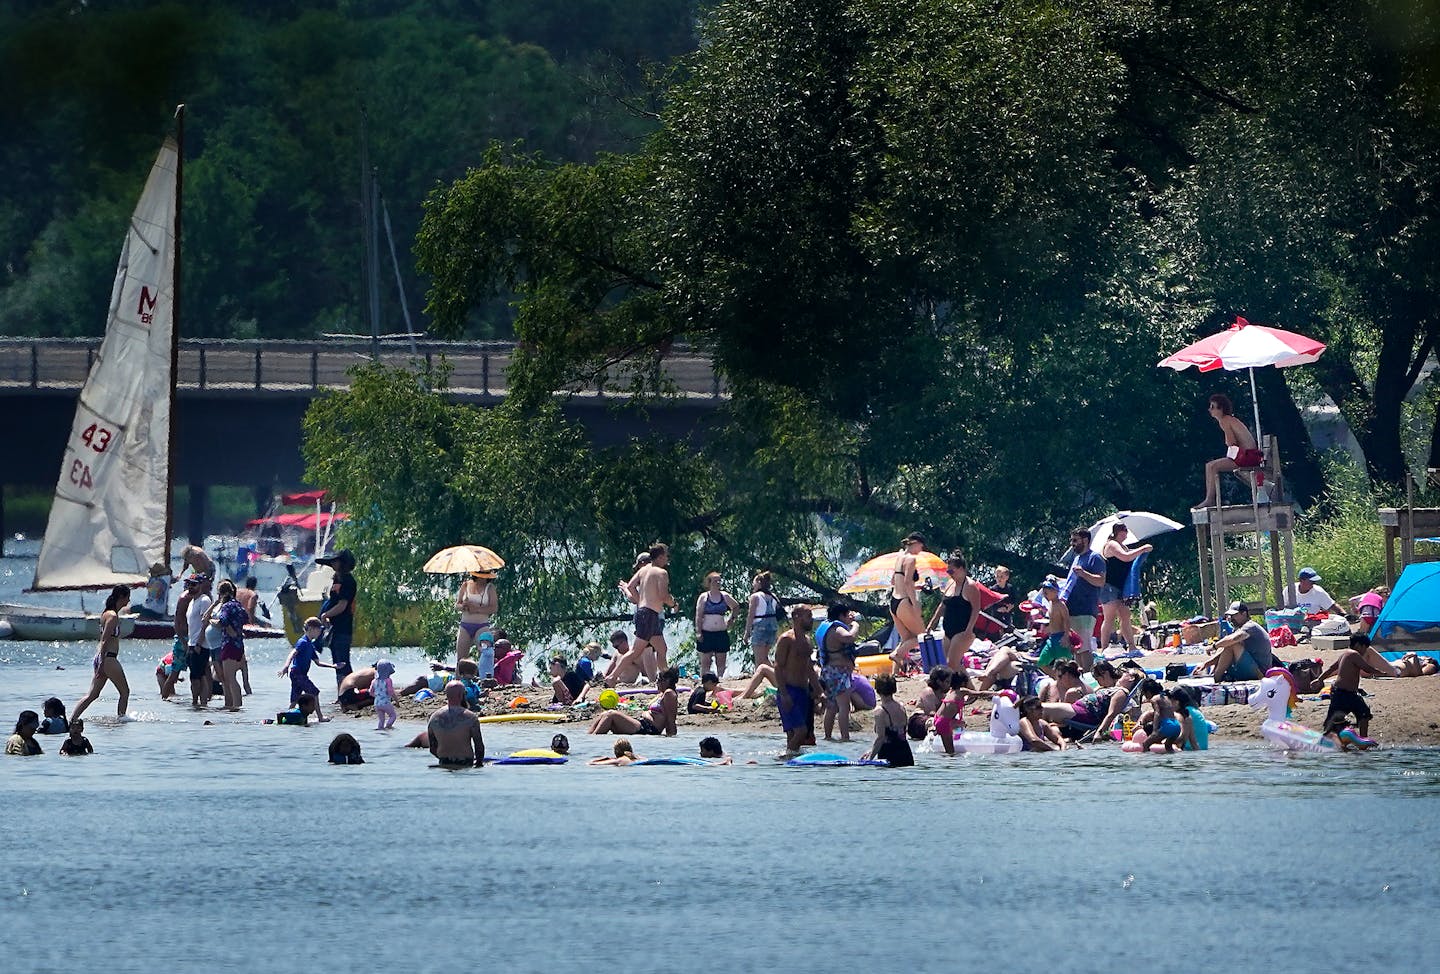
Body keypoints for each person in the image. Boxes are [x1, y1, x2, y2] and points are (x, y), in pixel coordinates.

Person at [606, 543, 678, 685]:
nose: (667, 559)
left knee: (662, 648)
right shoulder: (662, 573)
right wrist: (674, 604)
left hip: (645, 613)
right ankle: (612, 677)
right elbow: (664, 596)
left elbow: (631, 586)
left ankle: (665, 678)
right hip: (649, 615)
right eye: (666, 555)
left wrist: (641, 600)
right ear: (661, 556)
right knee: (635, 651)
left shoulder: (643, 570)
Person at [72, 585, 132, 722]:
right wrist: (102, 664)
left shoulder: (106, 614)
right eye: (128, 597)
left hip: (103, 659)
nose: (128, 601)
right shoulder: (112, 616)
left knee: (92, 695)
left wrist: (100, 662)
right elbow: (104, 640)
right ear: (121, 597)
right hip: (108, 659)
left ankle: (72, 720)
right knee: (125, 692)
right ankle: (121, 720)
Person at [1196, 392, 1262, 509]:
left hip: (1247, 456)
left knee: (1211, 467)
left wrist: (1227, 441)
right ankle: (1209, 499)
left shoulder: (1225, 420)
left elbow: (1231, 442)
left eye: (1212, 407)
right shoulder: (1229, 419)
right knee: (1210, 466)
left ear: (1220, 409)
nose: (1209, 410)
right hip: (1248, 455)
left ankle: (1210, 500)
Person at [1317, 633, 1388, 738]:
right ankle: (1362, 739)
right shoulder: (1354, 654)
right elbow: (1366, 668)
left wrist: (1319, 679)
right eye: (1364, 648)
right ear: (1358, 645)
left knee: (1356, 715)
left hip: (1342, 693)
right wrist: (1381, 673)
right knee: (1359, 715)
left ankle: (1360, 740)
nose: (1365, 651)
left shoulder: (1345, 654)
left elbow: (1331, 668)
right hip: (1344, 694)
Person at [773, 605, 821, 753]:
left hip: (803, 692)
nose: (811, 620)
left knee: (795, 735)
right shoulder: (786, 639)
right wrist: (784, 694)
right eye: (808, 617)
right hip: (789, 691)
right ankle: (786, 758)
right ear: (796, 617)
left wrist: (819, 691)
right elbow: (778, 667)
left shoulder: (807, 641)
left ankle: (791, 766)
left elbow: (809, 668)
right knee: (801, 731)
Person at [1099, 524, 1152, 652]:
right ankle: (1104, 647)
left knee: (1125, 615)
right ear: (1117, 532)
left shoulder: (1124, 546)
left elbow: (1131, 558)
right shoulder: (1112, 544)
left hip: (1121, 587)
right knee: (1109, 618)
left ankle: (1132, 646)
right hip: (1109, 586)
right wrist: (1142, 548)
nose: (1125, 534)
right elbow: (1125, 557)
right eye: (1123, 531)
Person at [928, 551, 983, 672]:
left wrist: (969, 629)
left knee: (951, 664)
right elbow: (943, 605)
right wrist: (932, 623)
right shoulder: (949, 584)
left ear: (961, 569)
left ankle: (964, 689)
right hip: (948, 630)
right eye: (948, 571)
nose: (950, 574)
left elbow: (976, 609)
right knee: (951, 666)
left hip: (963, 631)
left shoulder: (970, 586)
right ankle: (969, 689)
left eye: (952, 571)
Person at [1191, 601, 1273, 683]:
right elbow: (1224, 649)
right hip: (1250, 667)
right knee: (1224, 646)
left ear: (1244, 614)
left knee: (1231, 644)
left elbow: (1232, 640)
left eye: (1234, 615)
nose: (1232, 618)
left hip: (1259, 673)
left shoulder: (1250, 626)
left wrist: (1213, 647)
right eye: (1231, 616)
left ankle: (1216, 678)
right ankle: (1214, 675)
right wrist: (1205, 664)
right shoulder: (1239, 629)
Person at [588, 666, 680, 736]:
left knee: (611, 714)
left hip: (649, 728)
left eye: (659, 680)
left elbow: (671, 720)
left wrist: (670, 738)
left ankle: (593, 739)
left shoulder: (669, 694)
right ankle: (589, 738)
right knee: (604, 714)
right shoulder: (661, 694)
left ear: (667, 681)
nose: (656, 683)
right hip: (643, 724)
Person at [816, 604, 860, 742]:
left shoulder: (826, 626)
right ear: (841, 616)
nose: (849, 618)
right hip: (838, 672)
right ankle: (845, 738)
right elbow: (849, 637)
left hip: (828, 670)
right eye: (847, 615)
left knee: (831, 705)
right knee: (843, 706)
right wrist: (855, 625)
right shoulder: (836, 629)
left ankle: (828, 737)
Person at [1061, 529, 1104, 669]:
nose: (1072, 544)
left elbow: (1101, 581)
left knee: (1084, 647)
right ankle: (1080, 676)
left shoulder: (1095, 557)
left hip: (1085, 609)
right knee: (1076, 648)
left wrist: (1084, 574)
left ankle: (1089, 676)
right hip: (1072, 609)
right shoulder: (1076, 559)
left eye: (1075, 540)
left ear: (1085, 540)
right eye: (1071, 540)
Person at [316, 548, 358, 686]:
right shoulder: (337, 579)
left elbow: (343, 605)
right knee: (337, 663)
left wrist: (326, 614)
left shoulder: (348, 581)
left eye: (336, 561)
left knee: (343, 662)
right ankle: (341, 692)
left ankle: (348, 691)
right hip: (335, 627)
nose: (333, 564)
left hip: (343, 627)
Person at [888, 533, 927, 675]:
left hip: (893, 601)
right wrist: (915, 603)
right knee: (922, 636)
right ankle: (896, 654)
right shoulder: (910, 559)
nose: (921, 549)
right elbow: (908, 582)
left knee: (907, 639)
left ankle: (895, 673)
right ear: (915, 543)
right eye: (921, 545)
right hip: (904, 601)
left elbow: (894, 581)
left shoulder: (899, 557)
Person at [279, 617, 335, 716]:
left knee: (295, 699)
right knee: (314, 692)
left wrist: (334, 666)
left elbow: (318, 663)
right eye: (318, 630)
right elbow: (292, 653)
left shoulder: (310, 645)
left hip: (299, 674)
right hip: (297, 673)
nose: (320, 633)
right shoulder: (303, 642)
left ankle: (285, 717)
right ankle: (320, 717)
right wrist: (286, 666)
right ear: (311, 629)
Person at [427, 682, 485, 768]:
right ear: (460, 695)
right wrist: (478, 764)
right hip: (466, 763)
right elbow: (479, 746)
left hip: (444, 763)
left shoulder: (434, 718)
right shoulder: (470, 718)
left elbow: (432, 749)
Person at [861, 673, 914, 767]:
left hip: (889, 756)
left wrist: (869, 760)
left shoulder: (880, 711)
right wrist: (871, 750)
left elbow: (881, 738)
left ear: (877, 690)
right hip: (906, 754)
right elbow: (899, 734)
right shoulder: (901, 707)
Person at [694, 572, 740, 679]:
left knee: (721, 660)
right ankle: (704, 680)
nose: (718, 583)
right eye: (715, 581)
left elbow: (736, 606)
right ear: (709, 582)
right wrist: (698, 632)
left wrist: (731, 619)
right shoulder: (704, 597)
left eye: (719, 581)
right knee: (706, 660)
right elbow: (699, 615)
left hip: (721, 632)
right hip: (707, 632)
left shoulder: (724, 596)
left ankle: (720, 679)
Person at [213, 579, 249, 712]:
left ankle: (236, 706)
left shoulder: (227, 606)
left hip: (229, 645)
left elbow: (222, 621)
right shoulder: (238, 605)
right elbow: (246, 618)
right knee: (232, 677)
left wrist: (211, 621)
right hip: (239, 645)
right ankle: (236, 705)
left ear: (221, 594)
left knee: (230, 678)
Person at [453, 569, 497, 673]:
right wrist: (463, 606)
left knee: (485, 654)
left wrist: (477, 609)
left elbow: (494, 608)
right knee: (461, 659)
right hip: (465, 625)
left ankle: (485, 680)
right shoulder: (465, 585)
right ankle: (459, 683)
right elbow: (457, 605)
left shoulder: (490, 588)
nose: (483, 578)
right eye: (481, 575)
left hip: (482, 625)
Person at [163, 576, 195, 700]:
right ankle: (164, 699)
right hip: (183, 638)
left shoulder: (197, 598)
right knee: (174, 673)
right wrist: (183, 640)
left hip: (191, 637)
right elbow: (177, 621)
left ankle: (198, 702)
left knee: (198, 673)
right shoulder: (184, 598)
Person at [185, 574, 214, 708]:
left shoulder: (204, 600)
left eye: (194, 584)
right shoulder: (192, 602)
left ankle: (201, 703)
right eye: (189, 584)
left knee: (199, 676)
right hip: (191, 643)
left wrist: (199, 642)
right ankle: (196, 702)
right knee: (194, 676)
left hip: (200, 645)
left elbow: (205, 623)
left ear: (200, 585)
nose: (190, 587)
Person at [745, 571, 783, 671]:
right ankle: (776, 675)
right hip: (773, 627)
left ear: (758, 582)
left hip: (760, 626)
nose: (753, 585)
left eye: (754, 582)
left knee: (759, 659)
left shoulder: (755, 597)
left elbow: (750, 615)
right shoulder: (774, 596)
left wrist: (747, 633)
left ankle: (774, 677)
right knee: (764, 657)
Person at [1036, 576, 1073, 668]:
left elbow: (1066, 620)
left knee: (1065, 666)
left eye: (1046, 592)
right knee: (1041, 662)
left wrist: (1066, 636)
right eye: (1044, 593)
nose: (1045, 595)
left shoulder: (1061, 605)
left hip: (1060, 637)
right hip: (1051, 638)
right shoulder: (1051, 604)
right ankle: (1056, 678)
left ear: (1055, 592)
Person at [1141, 679, 1182, 753]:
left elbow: (1157, 713)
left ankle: (1148, 763)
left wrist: (1154, 730)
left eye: (1144, 694)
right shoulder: (1165, 697)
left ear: (1148, 692)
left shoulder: (1154, 699)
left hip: (1167, 725)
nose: (1145, 696)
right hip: (1177, 726)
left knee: (1145, 744)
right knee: (1168, 747)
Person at [989, 565, 1018, 629]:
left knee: (1009, 628)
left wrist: (1011, 606)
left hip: (1008, 613)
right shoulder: (993, 589)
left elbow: (1014, 599)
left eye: (1001, 576)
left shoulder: (1010, 588)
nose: (999, 579)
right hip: (996, 615)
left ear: (1007, 577)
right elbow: (990, 603)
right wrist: (998, 609)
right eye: (997, 576)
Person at [373, 659, 398, 730]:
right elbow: (391, 692)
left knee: (381, 720)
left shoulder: (374, 681)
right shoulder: (388, 680)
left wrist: (377, 696)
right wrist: (396, 701)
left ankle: (380, 730)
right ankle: (388, 727)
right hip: (386, 703)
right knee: (393, 716)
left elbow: (371, 692)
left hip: (377, 703)